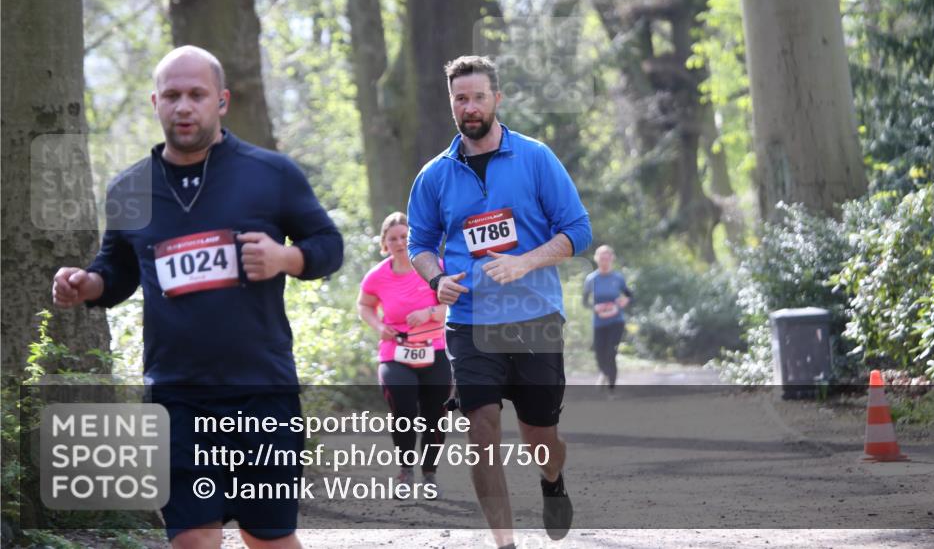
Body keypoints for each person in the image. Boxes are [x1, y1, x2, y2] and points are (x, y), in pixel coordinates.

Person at [51, 45, 343, 549]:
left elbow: (329, 247)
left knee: (267, 538)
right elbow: (116, 273)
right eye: (172, 96)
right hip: (175, 395)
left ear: (221, 101)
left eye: (196, 95)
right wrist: (86, 285)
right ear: (155, 103)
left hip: (261, 391)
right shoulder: (130, 189)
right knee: (192, 539)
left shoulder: (271, 174)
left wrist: (286, 258)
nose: (184, 106)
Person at [407, 55, 591, 548]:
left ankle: (552, 481)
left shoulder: (535, 158)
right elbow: (419, 243)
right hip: (469, 321)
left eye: (478, 97)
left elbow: (579, 231)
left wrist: (525, 262)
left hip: (535, 318)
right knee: (481, 427)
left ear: (497, 99)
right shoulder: (435, 175)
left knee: (540, 438)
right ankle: (504, 543)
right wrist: (436, 278)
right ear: (452, 103)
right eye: (460, 98)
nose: (470, 107)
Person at [357, 211, 450, 488]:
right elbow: (364, 305)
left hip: (434, 349)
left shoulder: (434, 267)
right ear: (385, 243)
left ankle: (430, 472)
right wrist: (377, 325)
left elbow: (454, 305)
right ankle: (406, 469)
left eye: (404, 237)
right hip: (395, 351)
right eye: (393, 238)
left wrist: (430, 312)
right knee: (403, 408)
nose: (399, 242)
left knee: (436, 415)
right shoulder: (377, 276)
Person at [582, 245, 633, 393]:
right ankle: (604, 373)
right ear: (597, 259)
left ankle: (611, 388)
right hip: (599, 322)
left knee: (611, 353)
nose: (604, 261)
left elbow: (629, 295)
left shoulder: (617, 277)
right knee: (599, 353)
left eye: (607, 258)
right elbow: (585, 302)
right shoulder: (591, 279)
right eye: (601, 258)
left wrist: (625, 301)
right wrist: (595, 307)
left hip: (616, 321)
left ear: (612, 259)